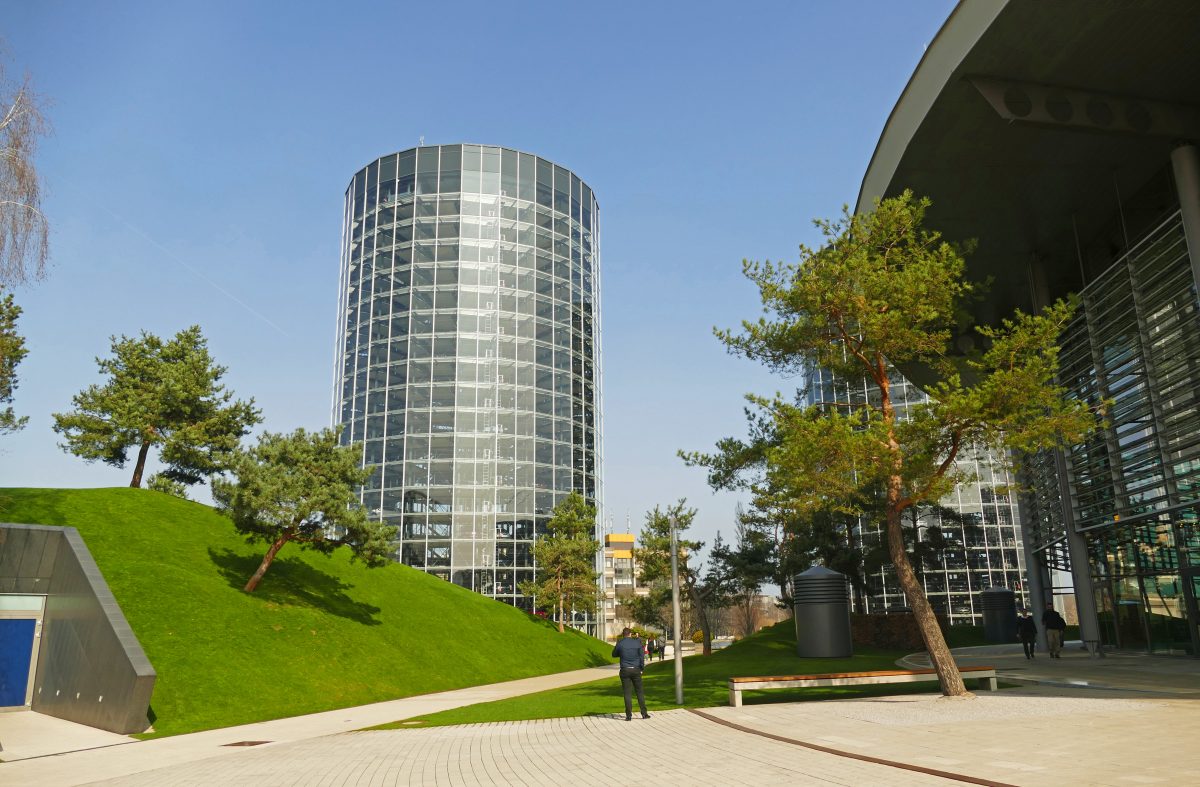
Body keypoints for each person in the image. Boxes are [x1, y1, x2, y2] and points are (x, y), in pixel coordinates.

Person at [612, 627, 650, 721]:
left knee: (627, 693)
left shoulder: (620, 643)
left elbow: (614, 654)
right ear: (630, 634)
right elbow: (641, 657)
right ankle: (644, 714)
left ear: (623, 634)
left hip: (625, 670)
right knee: (639, 692)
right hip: (636, 669)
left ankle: (628, 716)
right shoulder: (637, 643)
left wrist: (620, 651)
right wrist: (641, 668)